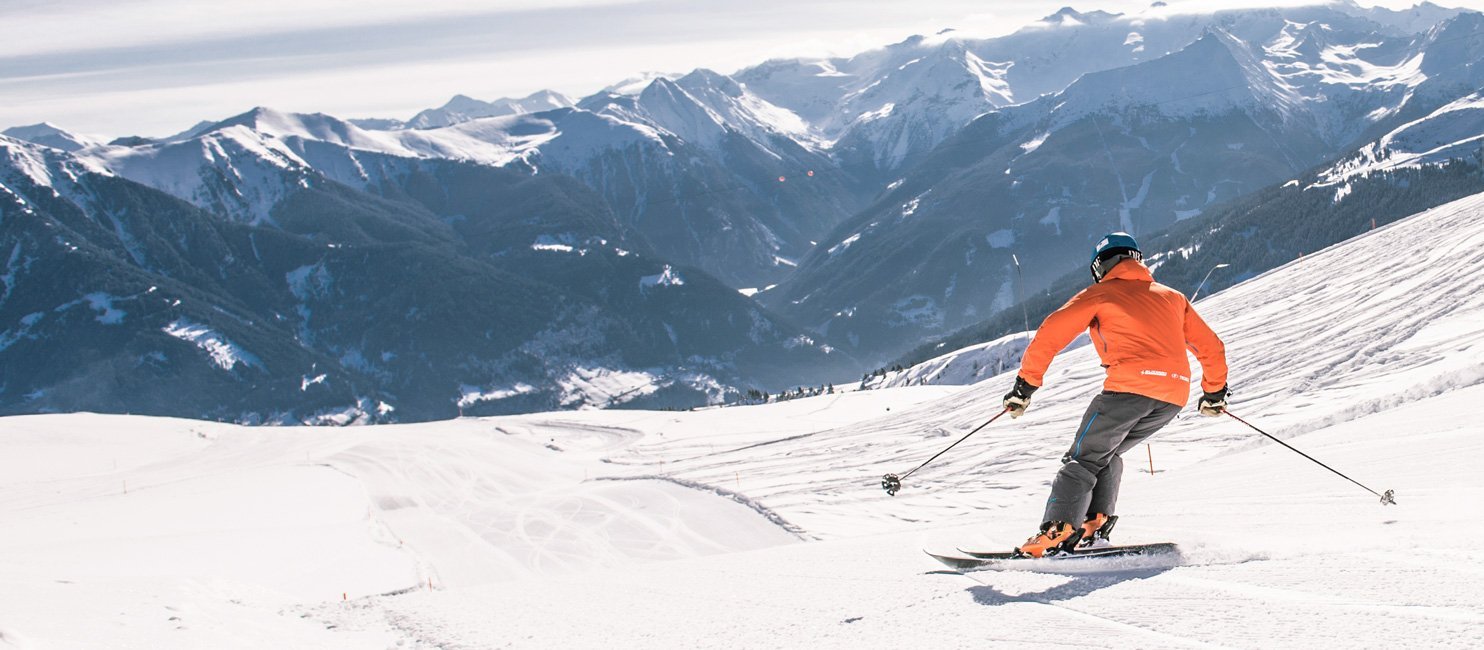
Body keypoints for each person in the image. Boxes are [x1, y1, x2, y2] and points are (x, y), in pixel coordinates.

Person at [1002, 232, 1229, 557]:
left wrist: (1025, 386)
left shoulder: (1101, 294)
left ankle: (1057, 532)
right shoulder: (1172, 297)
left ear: (1100, 266)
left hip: (1127, 390)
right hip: (1172, 395)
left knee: (1082, 459)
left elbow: (1051, 333)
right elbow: (1210, 347)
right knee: (1106, 454)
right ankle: (1094, 526)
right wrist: (1214, 392)